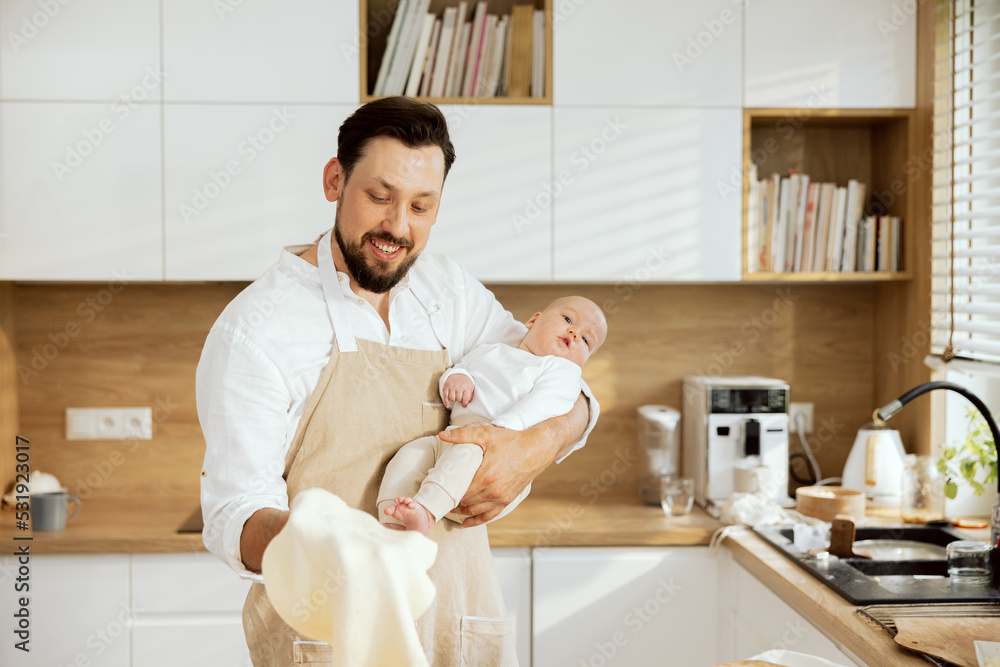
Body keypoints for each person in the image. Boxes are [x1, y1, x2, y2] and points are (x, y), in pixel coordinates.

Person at [195, 96, 598, 667]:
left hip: (455, 623)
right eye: (379, 197)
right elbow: (233, 515)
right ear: (335, 180)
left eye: (421, 206)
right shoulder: (258, 328)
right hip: (332, 638)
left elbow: (559, 377)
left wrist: (537, 446)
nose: (397, 227)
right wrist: (328, 549)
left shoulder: (445, 289)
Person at [380, 295, 607, 534]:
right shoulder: (492, 349)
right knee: (410, 454)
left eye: (585, 339)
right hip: (452, 434)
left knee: (465, 454)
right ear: (533, 320)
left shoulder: (561, 371)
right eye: (568, 318)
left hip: (497, 450)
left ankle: (425, 510)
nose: (574, 332)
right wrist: (457, 378)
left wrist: (501, 429)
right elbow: (463, 368)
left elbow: (544, 403)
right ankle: (391, 517)